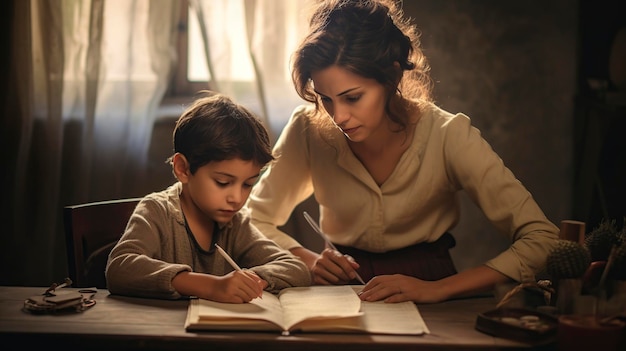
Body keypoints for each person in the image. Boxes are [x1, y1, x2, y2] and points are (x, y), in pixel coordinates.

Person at [245, 0, 559, 304]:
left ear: (392, 77)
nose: (337, 116)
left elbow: (542, 239)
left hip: (429, 285)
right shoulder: (307, 129)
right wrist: (307, 261)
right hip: (339, 289)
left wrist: (439, 290)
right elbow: (253, 218)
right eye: (326, 98)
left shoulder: (447, 135)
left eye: (352, 97)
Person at [106, 92, 312, 303]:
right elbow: (120, 267)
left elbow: (295, 268)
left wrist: (254, 282)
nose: (236, 198)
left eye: (248, 184)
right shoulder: (157, 211)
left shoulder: (236, 223)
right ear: (183, 169)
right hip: (159, 332)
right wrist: (209, 286)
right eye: (223, 182)